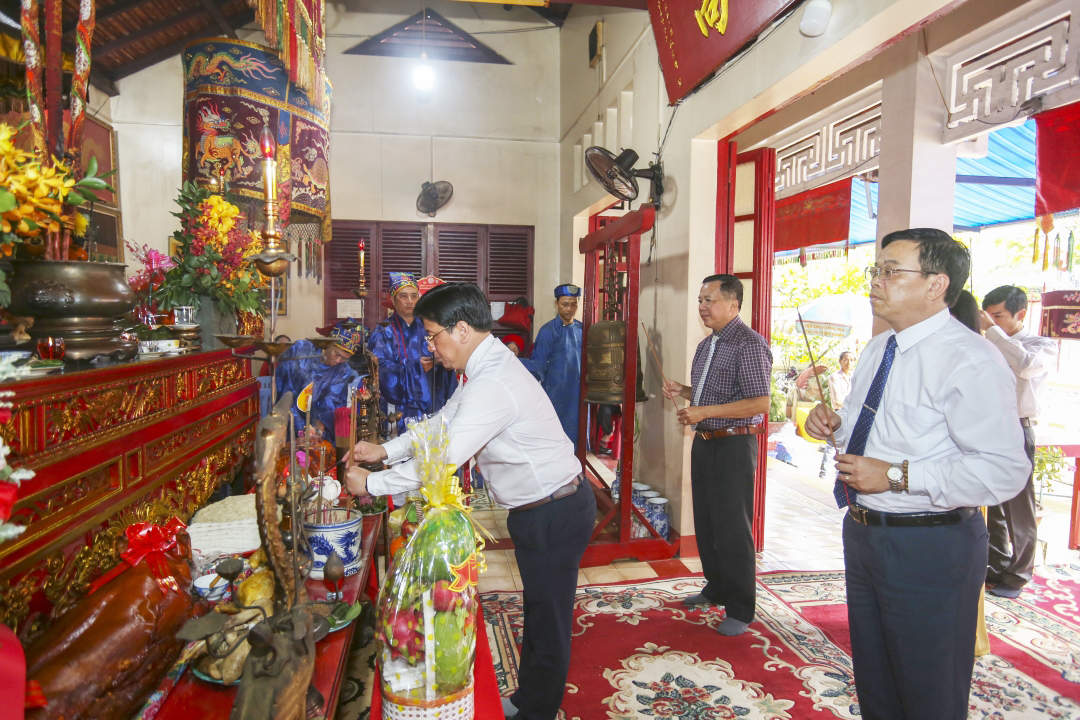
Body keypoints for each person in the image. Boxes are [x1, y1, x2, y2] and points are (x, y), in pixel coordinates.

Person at [805, 228, 1029, 720]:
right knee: (877, 681)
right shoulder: (878, 349)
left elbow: (1005, 471)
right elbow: (875, 433)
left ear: (935, 285)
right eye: (876, 270)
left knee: (928, 687)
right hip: (865, 533)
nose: (876, 281)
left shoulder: (968, 358)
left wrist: (898, 477)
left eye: (891, 271)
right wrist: (834, 426)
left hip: (930, 543)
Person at [345, 283, 594, 720]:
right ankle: (527, 698)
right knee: (537, 609)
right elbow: (442, 423)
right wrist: (385, 451)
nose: (430, 347)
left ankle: (539, 710)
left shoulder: (494, 380)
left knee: (550, 621)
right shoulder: (483, 369)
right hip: (537, 508)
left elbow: (442, 458)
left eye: (432, 335)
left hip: (556, 508)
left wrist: (373, 485)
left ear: (461, 330)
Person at [662, 274, 771, 637]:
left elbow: (760, 402)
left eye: (709, 300)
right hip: (706, 441)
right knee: (707, 520)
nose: (702, 307)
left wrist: (702, 412)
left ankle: (741, 607)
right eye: (700, 300)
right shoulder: (708, 346)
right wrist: (684, 390)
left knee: (732, 527)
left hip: (734, 445)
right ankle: (716, 586)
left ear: (733, 304)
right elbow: (712, 394)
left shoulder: (749, 344)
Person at [980, 284, 1058, 599]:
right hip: (989, 428)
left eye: (997, 315)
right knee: (993, 502)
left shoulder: (1042, 344)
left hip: (1018, 428)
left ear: (1020, 313)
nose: (991, 322)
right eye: (987, 316)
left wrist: (993, 332)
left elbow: (1025, 365)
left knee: (1020, 506)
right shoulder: (989, 343)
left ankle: (1020, 573)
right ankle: (995, 565)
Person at [368, 271, 455, 435]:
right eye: (403, 296)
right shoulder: (383, 330)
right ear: (393, 299)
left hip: (431, 396)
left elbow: (446, 354)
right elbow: (381, 370)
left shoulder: (429, 326)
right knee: (402, 450)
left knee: (431, 447)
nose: (410, 301)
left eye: (414, 296)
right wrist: (416, 367)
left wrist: (439, 362)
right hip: (400, 404)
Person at [274, 324, 361, 443]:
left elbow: (331, 403)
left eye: (344, 359)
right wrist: (299, 428)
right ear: (328, 343)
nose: (338, 361)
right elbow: (285, 390)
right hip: (289, 413)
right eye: (337, 354)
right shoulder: (299, 350)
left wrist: (318, 431)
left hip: (316, 417)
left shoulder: (343, 370)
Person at [523, 284, 583, 448]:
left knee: (577, 438)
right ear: (556, 304)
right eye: (565, 304)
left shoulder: (582, 329)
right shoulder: (548, 331)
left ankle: (576, 471)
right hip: (555, 394)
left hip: (578, 393)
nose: (569, 309)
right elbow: (538, 365)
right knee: (555, 439)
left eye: (573, 304)